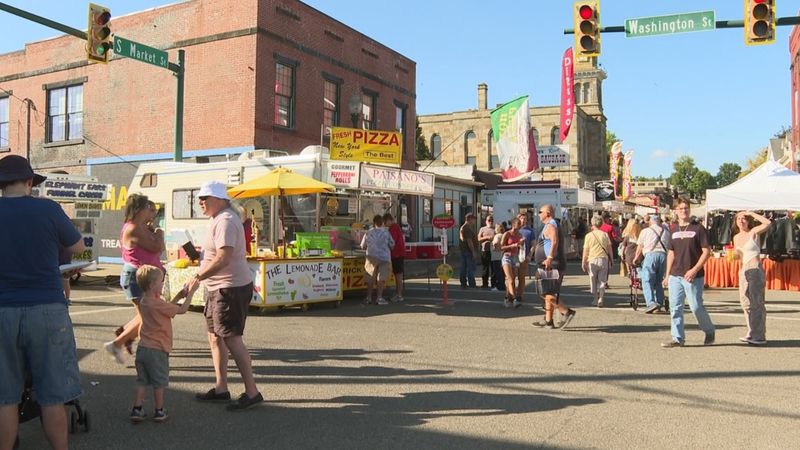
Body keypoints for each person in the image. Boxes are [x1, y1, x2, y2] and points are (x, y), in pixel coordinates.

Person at [0, 155, 85, 450]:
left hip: (2, 311)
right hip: (47, 308)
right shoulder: (48, 209)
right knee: (52, 395)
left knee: (5, 397)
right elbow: (77, 247)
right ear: (29, 182)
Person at [185, 181, 262, 410]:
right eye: (199, 198)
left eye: (205, 198)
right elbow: (215, 254)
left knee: (231, 337)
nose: (200, 202)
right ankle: (221, 388)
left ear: (219, 199)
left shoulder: (226, 221)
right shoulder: (219, 219)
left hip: (230, 288)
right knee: (214, 336)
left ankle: (252, 391)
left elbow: (223, 258)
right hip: (218, 287)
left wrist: (198, 277)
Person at [104, 196, 165, 364]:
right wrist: (159, 233)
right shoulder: (133, 229)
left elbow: (157, 251)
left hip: (146, 278)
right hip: (136, 278)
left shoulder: (142, 228)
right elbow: (157, 247)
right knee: (148, 318)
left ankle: (122, 336)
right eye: (148, 207)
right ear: (139, 209)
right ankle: (122, 343)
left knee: (146, 316)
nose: (152, 211)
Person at [129, 265, 193, 423]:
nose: (163, 283)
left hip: (143, 348)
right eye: (161, 281)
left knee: (142, 380)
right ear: (152, 285)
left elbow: (167, 307)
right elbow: (182, 310)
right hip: (157, 350)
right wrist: (191, 293)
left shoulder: (145, 301)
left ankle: (137, 409)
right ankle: (159, 410)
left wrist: (179, 295)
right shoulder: (157, 304)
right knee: (159, 382)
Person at [661, 198, 715, 348]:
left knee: (696, 306)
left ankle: (709, 330)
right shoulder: (673, 229)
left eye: (686, 208)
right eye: (681, 208)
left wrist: (694, 269)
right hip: (675, 275)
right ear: (675, 211)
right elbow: (671, 253)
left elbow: (706, 252)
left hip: (693, 276)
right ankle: (678, 338)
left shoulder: (698, 228)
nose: (684, 210)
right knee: (675, 307)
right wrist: (667, 275)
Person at [533, 204, 576, 329]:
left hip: (553, 264)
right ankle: (548, 320)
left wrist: (550, 258)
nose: (539, 214)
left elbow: (555, 241)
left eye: (540, 211)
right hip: (548, 263)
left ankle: (566, 312)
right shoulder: (549, 224)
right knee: (546, 290)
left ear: (547, 213)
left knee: (546, 291)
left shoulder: (551, 224)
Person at [732, 211, 771, 345]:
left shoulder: (753, 232)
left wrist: (751, 213)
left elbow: (768, 223)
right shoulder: (736, 237)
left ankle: (759, 335)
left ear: (748, 221)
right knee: (745, 302)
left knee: (757, 302)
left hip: (755, 268)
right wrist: (734, 255)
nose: (741, 221)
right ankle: (751, 331)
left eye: (744, 219)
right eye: (738, 219)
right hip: (743, 269)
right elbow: (739, 256)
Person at [634, 214, 671, 314]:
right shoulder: (666, 232)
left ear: (650, 222)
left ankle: (651, 303)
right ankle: (659, 302)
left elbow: (640, 247)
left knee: (647, 280)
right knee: (659, 281)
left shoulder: (645, 231)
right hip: (663, 255)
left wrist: (636, 258)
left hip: (650, 255)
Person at [360, 214, 394, 305]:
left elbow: (362, 246)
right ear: (382, 222)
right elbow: (392, 245)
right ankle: (379, 298)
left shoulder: (368, 233)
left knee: (370, 277)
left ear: (374, 223)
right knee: (381, 278)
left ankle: (369, 298)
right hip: (384, 257)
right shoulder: (386, 233)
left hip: (371, 257)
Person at [582, 215, 612, 308]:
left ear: (592, 223)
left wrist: (583, 262)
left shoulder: (588, 236)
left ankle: (595, 298)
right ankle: (601, 298)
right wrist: (611, 259)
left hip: (592, 259)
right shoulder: (605, 235)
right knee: (602, 280)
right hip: (603, 259)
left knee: (593, 279)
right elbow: (609, 248)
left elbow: (586, 250)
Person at [500, 217, 523, 307]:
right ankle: (514, 299)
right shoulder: (507, 234)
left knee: (513, 279)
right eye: (519, 224)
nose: (520, 226)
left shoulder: (520, 235)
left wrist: (521, 244)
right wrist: (513, 245)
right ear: (513, 225)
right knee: (509, 278)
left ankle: (507, 298)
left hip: (515, 258)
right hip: (507, 257)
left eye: (520, 225)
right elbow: (500, 247)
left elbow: (521, 248)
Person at [383, 213, 405, 302]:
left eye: (385, 222)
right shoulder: (395, 227)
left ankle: (399, 295)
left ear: (389, 220)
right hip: (398, 253)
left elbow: (392, 241)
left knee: (398, 275)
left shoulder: (394, 228)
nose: (385, 224)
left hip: (397, 254)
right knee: (398, 274)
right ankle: (398, 294)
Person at [516, 212, 536, 304]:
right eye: (522, 218)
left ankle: (520, 295)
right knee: (511, 278)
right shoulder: (514, 230)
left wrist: (530, 255)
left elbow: (533, 244)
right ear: (518, 219)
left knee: (522, 277)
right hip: (513, 257)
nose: (523, 220)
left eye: (525, 219)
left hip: (524, 257)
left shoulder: (530, 231)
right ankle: (510, 295)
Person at [459, 213, 479, 288]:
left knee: (463, 267)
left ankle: (463, 282)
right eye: (473, 219)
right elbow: (469, 241)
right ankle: (471, 283)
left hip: (464, 250)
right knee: (471, 267)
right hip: (468, 251)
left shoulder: (463, 228)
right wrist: (473, 251)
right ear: (469, 219)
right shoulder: (467, 228)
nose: (474, 221)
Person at [477, 215, 496, 289]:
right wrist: (487, 238)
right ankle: (485, 283)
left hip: (493, 251)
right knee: (485, 268)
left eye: (492, 220)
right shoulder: (482, 229)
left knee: (493, 268)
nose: (490, 222)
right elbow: (478, 238)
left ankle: (493, 283)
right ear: (486, 221)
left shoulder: (495, 229)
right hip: (485, 250)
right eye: (489, 220)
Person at [490, 223, 506, 292]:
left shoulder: (497, 236)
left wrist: (494, 248)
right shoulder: (504, 235)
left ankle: (499, 286)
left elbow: (496, 244)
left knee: (498, 272)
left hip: (496, 257)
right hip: (502, 256)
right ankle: (502, 285)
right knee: (502, 273)